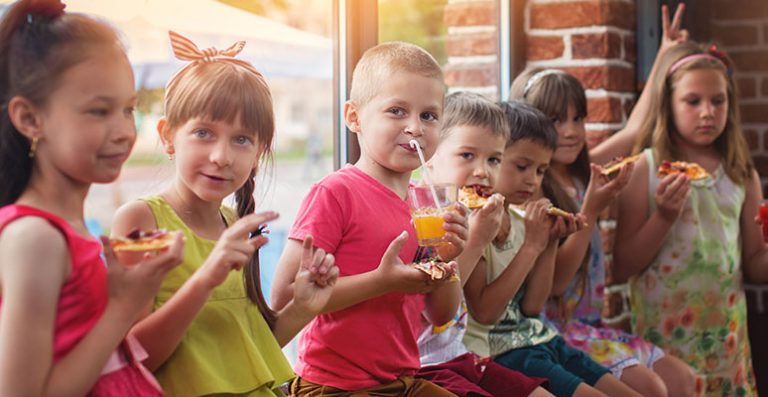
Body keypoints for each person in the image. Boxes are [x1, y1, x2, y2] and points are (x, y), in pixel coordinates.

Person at [111, 31, 339, 396]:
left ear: (259, 152)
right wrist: (206, 278)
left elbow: (245, 349)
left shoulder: (235, 226)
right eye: (203, 132)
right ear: (168, 136)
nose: (222, 156)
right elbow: (134, 359)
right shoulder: (141, 221)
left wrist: (304, 306)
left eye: (242, 139)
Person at [507, 6, 697, 397]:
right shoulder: (533, 190)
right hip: (554, 330)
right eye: (556, 121)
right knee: (654, 388)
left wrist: (662, 57)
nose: (571, 131)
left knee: (682, 379)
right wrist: (589, 210)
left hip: (591, 325)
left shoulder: (580, 173)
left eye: (578, 118)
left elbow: (634, 130)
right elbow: (556, 283)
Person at [0, 1, 184, 395]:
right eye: (99, 111)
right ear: (30, 119)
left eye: (128, 109)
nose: (123, 131)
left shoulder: (69, 227)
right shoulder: (36, 237)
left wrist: (137, 293)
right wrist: (120, 308)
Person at [270, 41, 468, 397]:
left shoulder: (426, 204)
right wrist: (382, 281)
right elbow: (284, 296)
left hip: (402, 381)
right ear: (354, 117)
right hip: (333, 385)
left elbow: (441, 316)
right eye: (396, 111)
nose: (415, 128)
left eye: (428, 115)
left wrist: (446, 259)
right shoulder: (335, 193)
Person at [614, 40, 766, 396]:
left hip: (726, 343)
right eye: (692, 101)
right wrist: (664, 216)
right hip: (664, 339)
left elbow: (757, 265)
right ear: (668, 104)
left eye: (718, 101)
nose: (708, 112)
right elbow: (622, 265)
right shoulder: (646, 169)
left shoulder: (742, 174)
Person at [463, 101, 640, 397]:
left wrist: (548, 243)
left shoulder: (521, 220)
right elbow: (484, 312)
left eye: (541, 170)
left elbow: (533, 306)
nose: (532, 179)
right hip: (502, 353)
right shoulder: (477, 224)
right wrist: (533, 245)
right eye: (521, 166)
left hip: (540, 339)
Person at [416, 91, 553, 397]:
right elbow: (430, 310)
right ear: (432, 154)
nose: (483, 171)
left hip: (458, 355)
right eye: (467, 155)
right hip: (423, 365)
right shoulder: (423, 217)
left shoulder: (470, 213)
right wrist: (477, 242)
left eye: (493, 159)